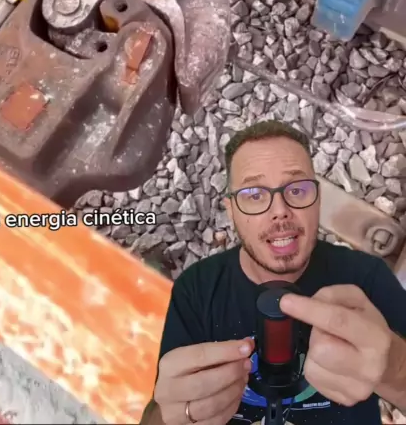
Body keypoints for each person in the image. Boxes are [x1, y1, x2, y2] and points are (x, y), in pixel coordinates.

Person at [141, 120, 406, 425]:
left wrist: (395, 368)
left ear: (318, 199)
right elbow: (159, 412)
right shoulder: (197, 289)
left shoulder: (366, 277)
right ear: (231, 210)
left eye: (297, 190)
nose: (280, 211)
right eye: (254, 195)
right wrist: (174, 417)